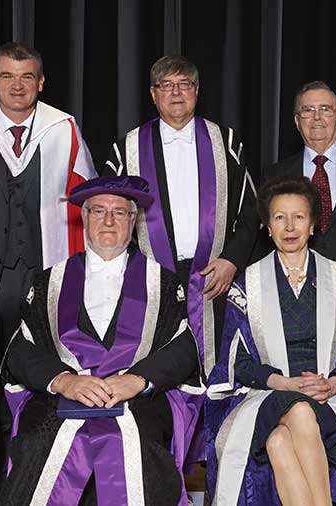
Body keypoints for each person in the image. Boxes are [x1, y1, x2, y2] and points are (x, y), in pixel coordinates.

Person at [0, 41, 96, 492]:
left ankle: (30, 481)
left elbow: (81, 207)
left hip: (43, 278)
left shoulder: (62, 130)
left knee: (43, 377)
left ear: (40, 82)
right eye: (7, 76)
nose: (17, 85)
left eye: (27, 76)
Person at [0, 176, 204, 506]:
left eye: (120, 213)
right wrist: (63, 380)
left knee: (139, 445)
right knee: (39, 444)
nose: (108, 220)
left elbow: (182, 348)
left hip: (135, 400)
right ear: (85, 218)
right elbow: (21, 349)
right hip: (61, 399)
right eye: (99, 211)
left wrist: (137, 380)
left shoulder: (161, 283)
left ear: (133, 221)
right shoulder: (49, 282)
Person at [206, 176, 336, 506]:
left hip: (328, 395)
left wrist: (335, 382)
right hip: (268, 394)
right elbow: (236, 361)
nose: (289, 227)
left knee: (278, 443)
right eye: (279, 218)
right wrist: (283, 383)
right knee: (300, 411)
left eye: (299, 217)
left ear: (313, 225)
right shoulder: (248, 285)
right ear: (267, 227)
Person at [103, 55, 259, 376]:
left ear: (196, 91)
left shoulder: (225, 142)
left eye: (184, 84)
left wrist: (232, 260)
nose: (175, 92)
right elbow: (109, 222)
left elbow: (251, 212)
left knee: (217, 374)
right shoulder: (128, 150)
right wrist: (133, 272)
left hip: (215, 280)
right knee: (158, 373)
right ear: (153, 94)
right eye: (166, 85)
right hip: (152, 282)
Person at [257, 81, 336, 316]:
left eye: (325, 109)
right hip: (294, 298)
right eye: (308, 110)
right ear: (297, 121)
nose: (317, 117)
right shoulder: (275, 174)